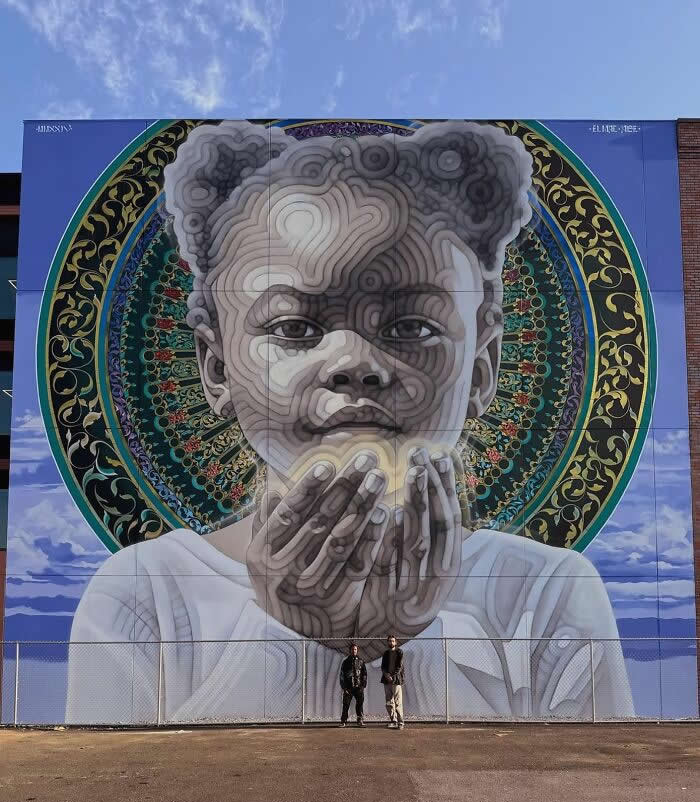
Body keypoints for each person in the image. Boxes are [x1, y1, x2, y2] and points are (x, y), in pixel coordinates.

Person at [66, 120, 634, 724]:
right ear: (215, 367)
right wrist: (285, 629)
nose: (355, 364)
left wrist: (412, 634)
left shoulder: (548, 594)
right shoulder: (141, 595)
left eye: (413, 327)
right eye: (292, 329)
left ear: (482, 367)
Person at [339, 643, 367, 727]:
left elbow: (364, 674)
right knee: (346, 704)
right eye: (352, 649)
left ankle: (360, 720)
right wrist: (344, 687)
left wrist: (363, 686)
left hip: (359, 687)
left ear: (357, 650)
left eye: (355, 649)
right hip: (348, 687)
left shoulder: (361, 661)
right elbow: (342, 675)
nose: (353, 651)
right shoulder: (346, 662)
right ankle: (343, 721)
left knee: (360, 704)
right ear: (350, 650)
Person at [381, 636, 405, 729]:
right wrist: (386, 675)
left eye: (393, 641)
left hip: (396, 680)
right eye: (390, 641)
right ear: (388, 642)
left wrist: (392, 676)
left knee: (397, 701)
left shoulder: (399, 652)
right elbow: (383, 666)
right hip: (387, 681)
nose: (391, 642)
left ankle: (400, 722)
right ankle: (393, 720)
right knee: (389, 701)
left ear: (395, 643)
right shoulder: (386, 653)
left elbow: (400, 666)